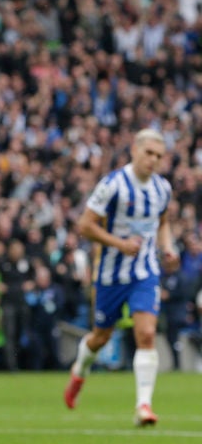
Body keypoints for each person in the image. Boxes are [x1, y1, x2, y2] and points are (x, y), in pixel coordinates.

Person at [64, 128, 178, 426]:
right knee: (100, 337)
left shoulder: (162, 188)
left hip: (144, 272)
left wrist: (168, 248)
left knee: (147, 333)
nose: (152, 160)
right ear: (134, 150)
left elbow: (163, 222)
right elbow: (85, 226)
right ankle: (79, 372)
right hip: (110, 275)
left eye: (158, 156)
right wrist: (119, 244)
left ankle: (144, 406)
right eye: (148, 153)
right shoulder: (113, 185)